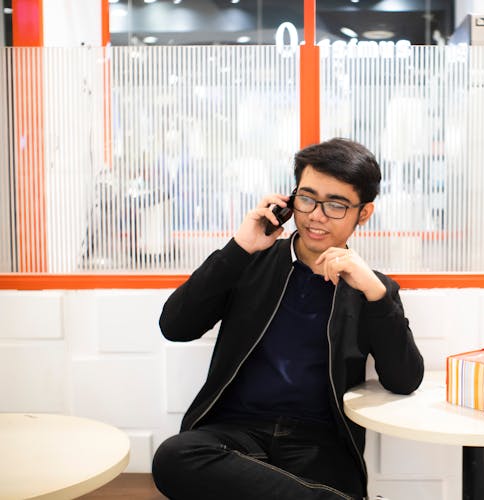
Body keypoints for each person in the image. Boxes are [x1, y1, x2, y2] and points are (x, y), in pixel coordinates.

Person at [152, 138, 425, 500]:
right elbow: (175, 326)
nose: (316, 215)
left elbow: (405, 380)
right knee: (174, 456)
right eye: (307, 198)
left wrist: (375, 294)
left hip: (320, 445)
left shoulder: (370, 288)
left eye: (336, 205)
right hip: (236, 436)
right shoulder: (250, 260)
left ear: (364, 213)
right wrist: (239, 247)